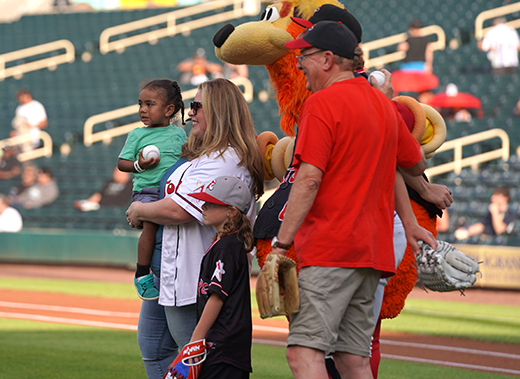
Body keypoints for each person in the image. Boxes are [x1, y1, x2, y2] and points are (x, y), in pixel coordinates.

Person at [269, 21, 430, 379]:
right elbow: (414, 162)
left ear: (327, 59)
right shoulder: (383, 104)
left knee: (303, 353)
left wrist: (281, 244)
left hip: (332, 248)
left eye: (304, 56)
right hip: (374, 252)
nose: (298, 64)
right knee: (352, 359)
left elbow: (309, 180)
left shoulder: (321, 103)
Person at [126, 78, 264, 378]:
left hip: (197, 275)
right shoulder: (203, 154)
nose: (191, 114)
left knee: (196, 362)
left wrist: (140, 209)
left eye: (198, 107)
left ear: (219, 111)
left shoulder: (229, 157)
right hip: (172, 267)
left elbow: (180, 210)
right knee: (154, 347)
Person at [117, 79, 186, 301]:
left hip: (172, 192)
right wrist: (139, 165)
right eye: (140, 104)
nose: (143, 110)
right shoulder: (137, 135)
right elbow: (122, 163)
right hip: (147, 190)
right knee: (150, 227)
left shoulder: (178, 134)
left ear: (168, 110)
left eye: (150, 104)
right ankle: (142, 274)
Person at [185, 175, 254, 378]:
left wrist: (195, 340)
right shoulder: (226, 243)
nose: (203, 206)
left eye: (211, 203)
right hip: (226, 347)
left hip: (223, 348)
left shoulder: (227, 247)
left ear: (231, 212)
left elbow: (217, 297)